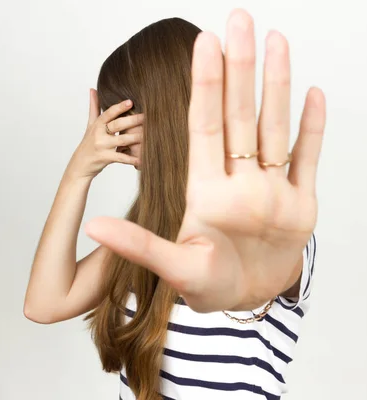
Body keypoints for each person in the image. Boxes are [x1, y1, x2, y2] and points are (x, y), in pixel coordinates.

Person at [24, 8, 325, 400]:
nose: (116, 138)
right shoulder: (145, 237)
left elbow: (276, 265)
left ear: (158, 118)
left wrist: (249, 276)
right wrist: (78, 171)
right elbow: (45, 304)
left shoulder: (268, 228)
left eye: (122, 119)